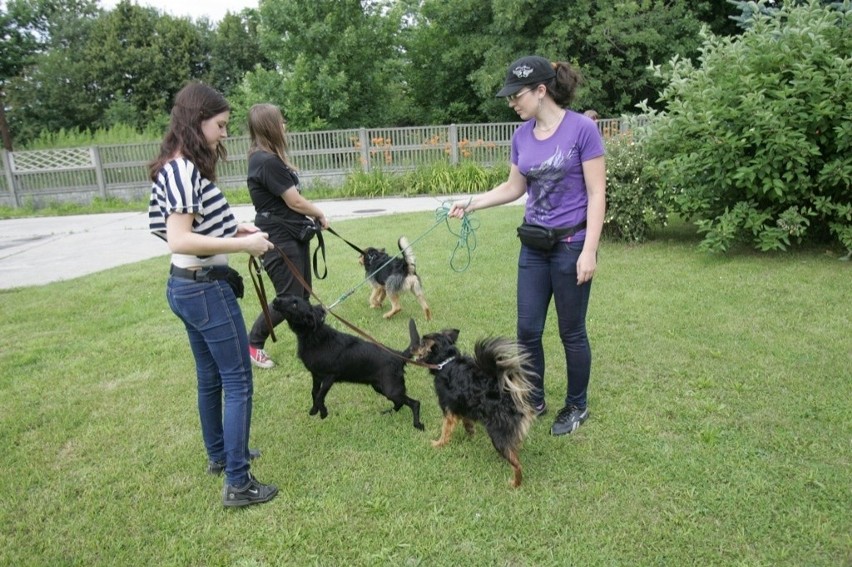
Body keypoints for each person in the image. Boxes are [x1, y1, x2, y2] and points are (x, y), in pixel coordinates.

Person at [448, 55, 606, 436]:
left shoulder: (582, 129)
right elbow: (513, 187)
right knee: (527, 330)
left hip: (571, 244)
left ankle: (577, 405)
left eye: (516, 96)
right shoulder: (521, 136)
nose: (512, 103)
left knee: (571, 331)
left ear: (541, 90)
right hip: (534, 246)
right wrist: (471, 202)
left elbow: (597, 192)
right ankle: (533, 398)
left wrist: (589, 251)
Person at [148, 82, 279, 507]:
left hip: (184, 287)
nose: (225, 133)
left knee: (210, 378)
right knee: (238, 381)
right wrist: (245, 245)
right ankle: (239, 483)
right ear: (196, 120)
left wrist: (230, 229)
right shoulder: (186, 170)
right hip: (204, 289)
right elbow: (178, 239)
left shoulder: (173, 165)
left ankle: (221, 456)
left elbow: (181, 229)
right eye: (220, 125)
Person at [245, 103, 329, 369]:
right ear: (270, 126)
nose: (285, 126)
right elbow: (295, 202)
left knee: (302, 294)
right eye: (281, 122)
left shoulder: (270, 158)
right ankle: (253, 344)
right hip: (278, 239)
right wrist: (319, 213)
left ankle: (310, 342)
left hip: (292, 235)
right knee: (289, 298)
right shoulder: (266, 161)